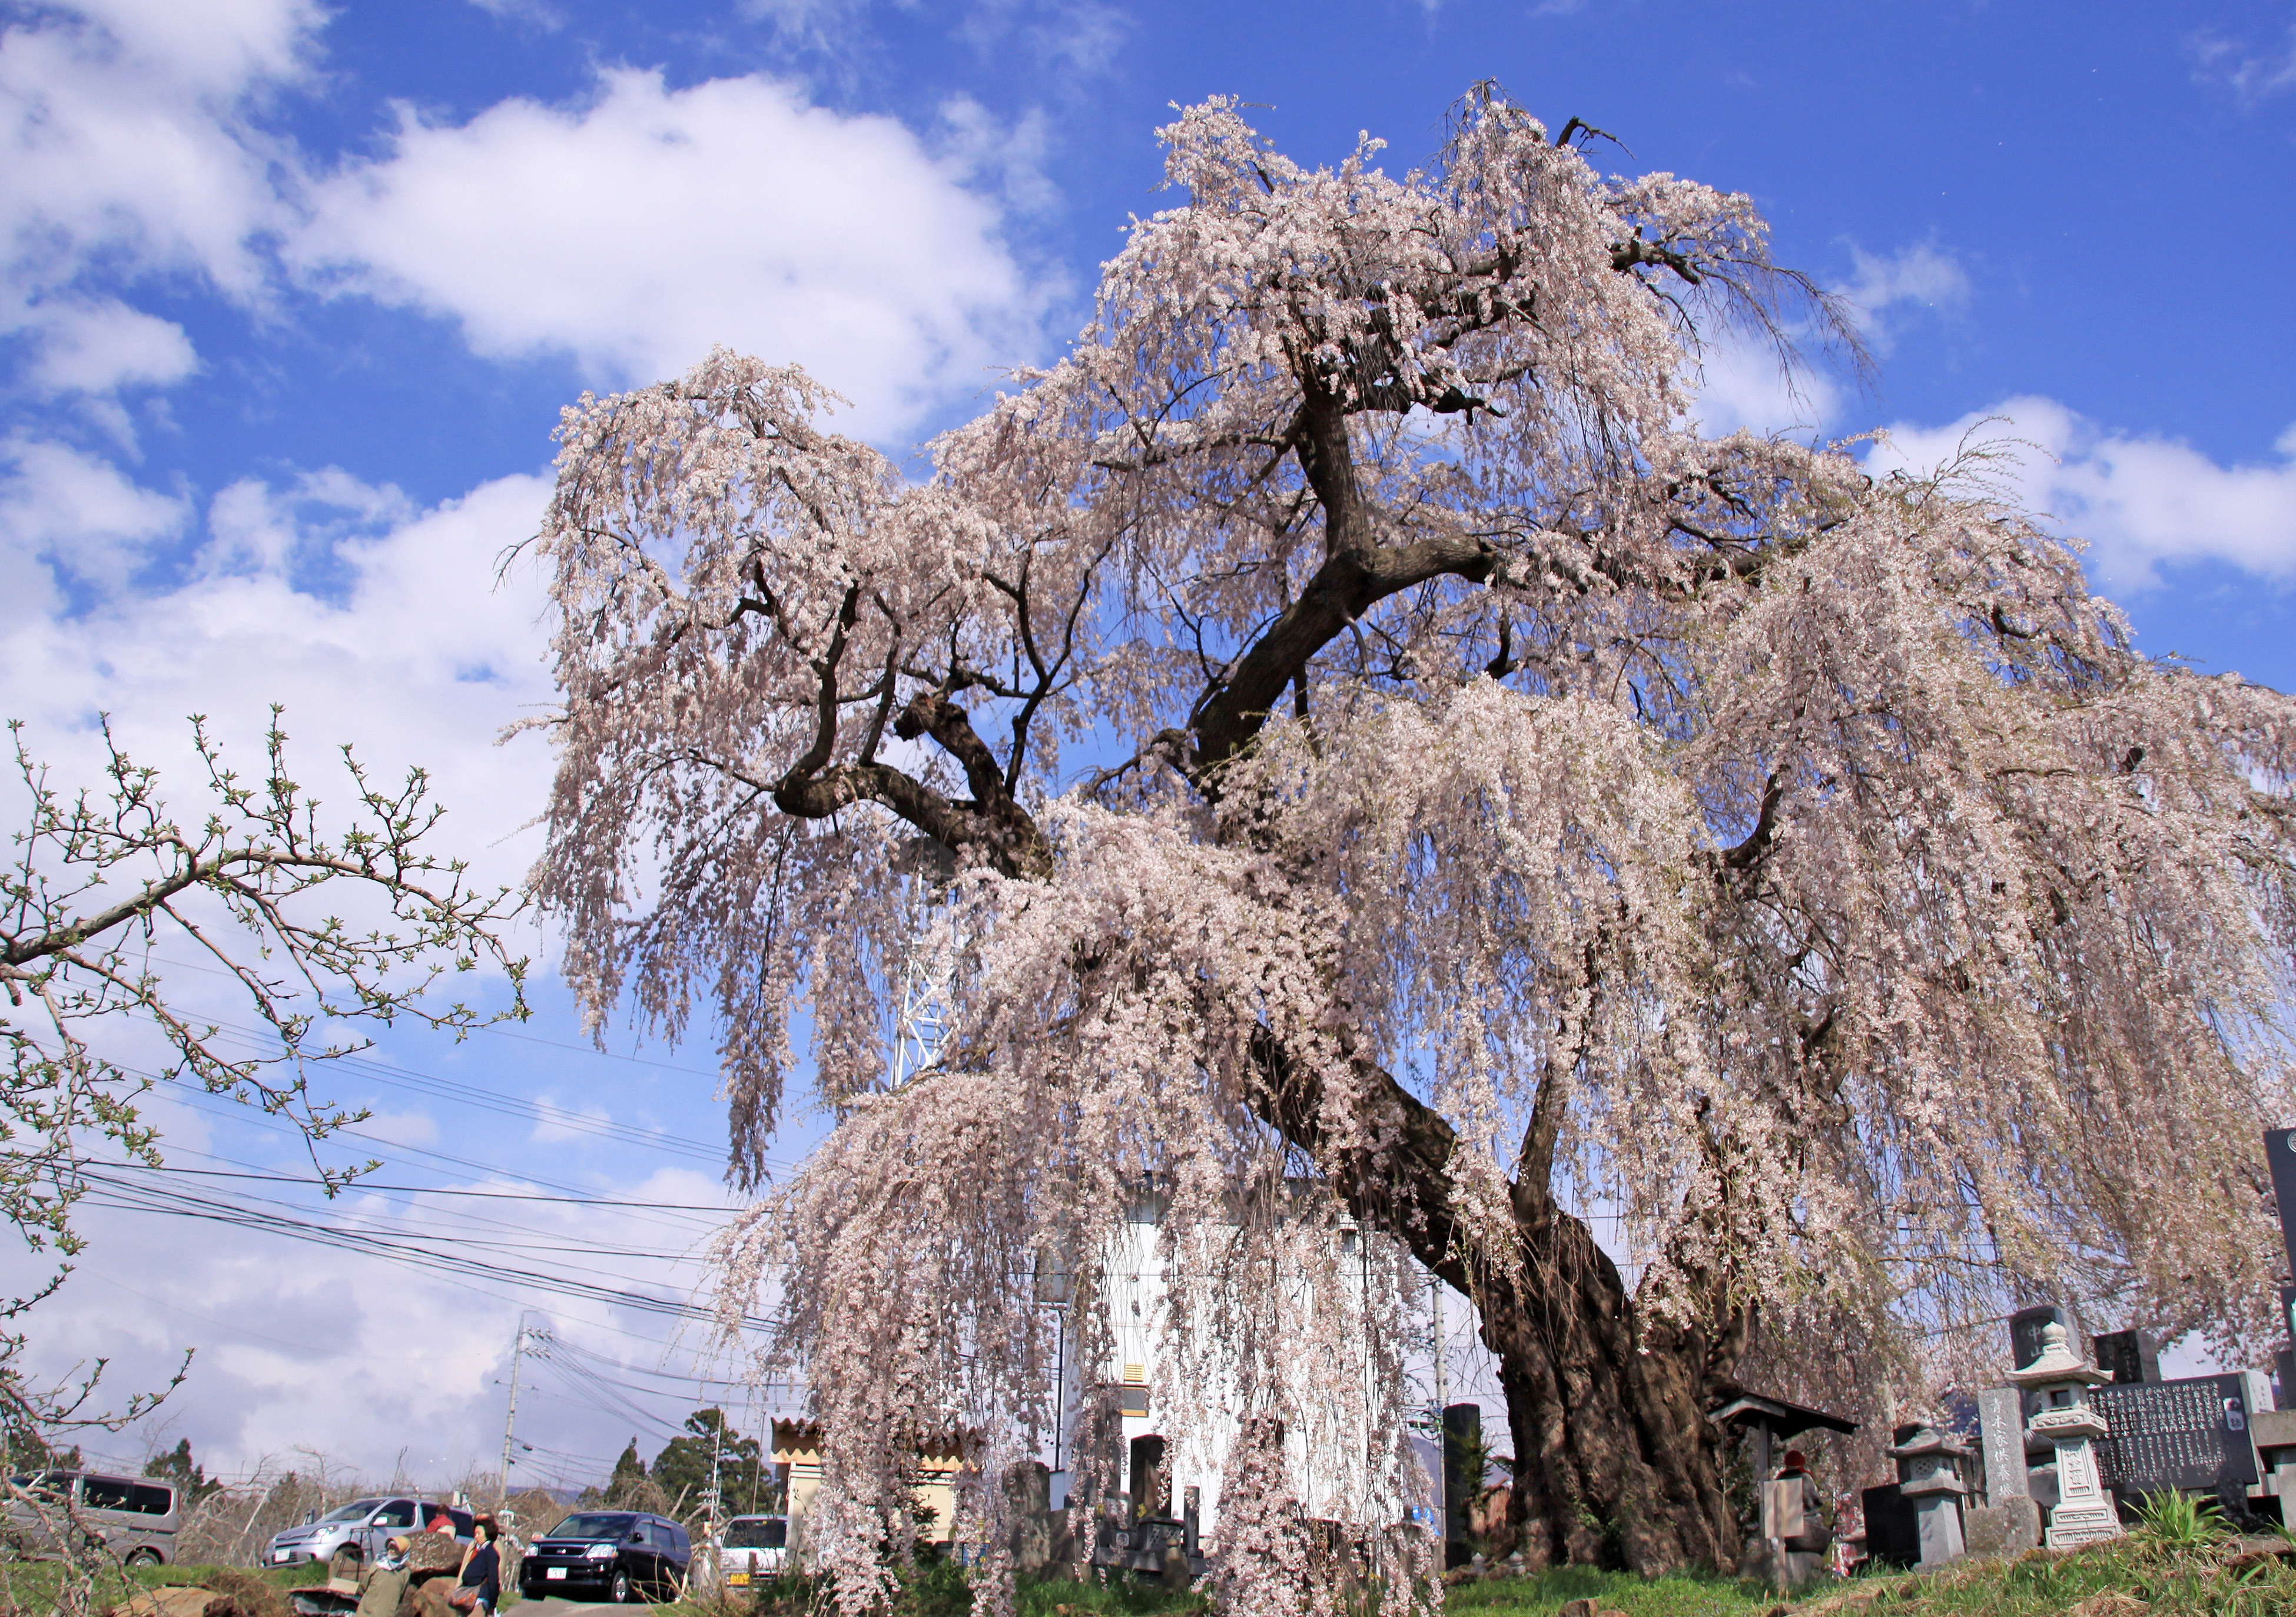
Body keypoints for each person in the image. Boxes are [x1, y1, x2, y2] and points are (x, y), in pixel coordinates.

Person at [416, 1516, 499, 1617]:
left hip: (479, 1598)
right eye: (475, 1534)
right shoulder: (481, 1551)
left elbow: (493, 1580)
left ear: (488, 1533)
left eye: (479, 1534)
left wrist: (492, 1604)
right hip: (469, 1597)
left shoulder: (490, 1553)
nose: (476, 1537)